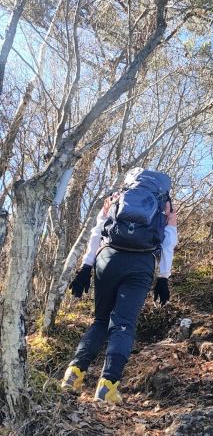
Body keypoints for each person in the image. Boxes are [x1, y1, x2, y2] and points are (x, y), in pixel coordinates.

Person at [61, 168, 177, 405]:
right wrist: (163, 278)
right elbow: (169, 241)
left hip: (107, 259)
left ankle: (73, 375)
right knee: (123, 325)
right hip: (141, 263)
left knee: (100, 320)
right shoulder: (164, 205)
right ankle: (108, 386)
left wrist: (85, 268)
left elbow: (97, 232)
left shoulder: (117, 197)